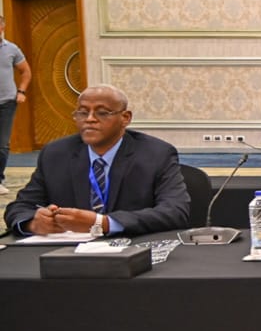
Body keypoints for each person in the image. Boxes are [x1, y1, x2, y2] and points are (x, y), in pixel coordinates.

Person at [4, 84, 190, 236]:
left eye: (102, 113)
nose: (90, 119)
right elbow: (19, 207)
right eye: (83, 112)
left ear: (125, 118)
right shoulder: (55, 154)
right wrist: (33, 223)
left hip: (131, 248)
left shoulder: (156, 154)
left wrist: (103, 223)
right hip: (66, 252)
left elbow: (175, 211)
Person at [0, 15, 32, 195]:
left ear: (2, 28)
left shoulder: (11, 49)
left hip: (7, 101)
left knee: (2, 144)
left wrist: (21, 91)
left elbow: (25, 71)